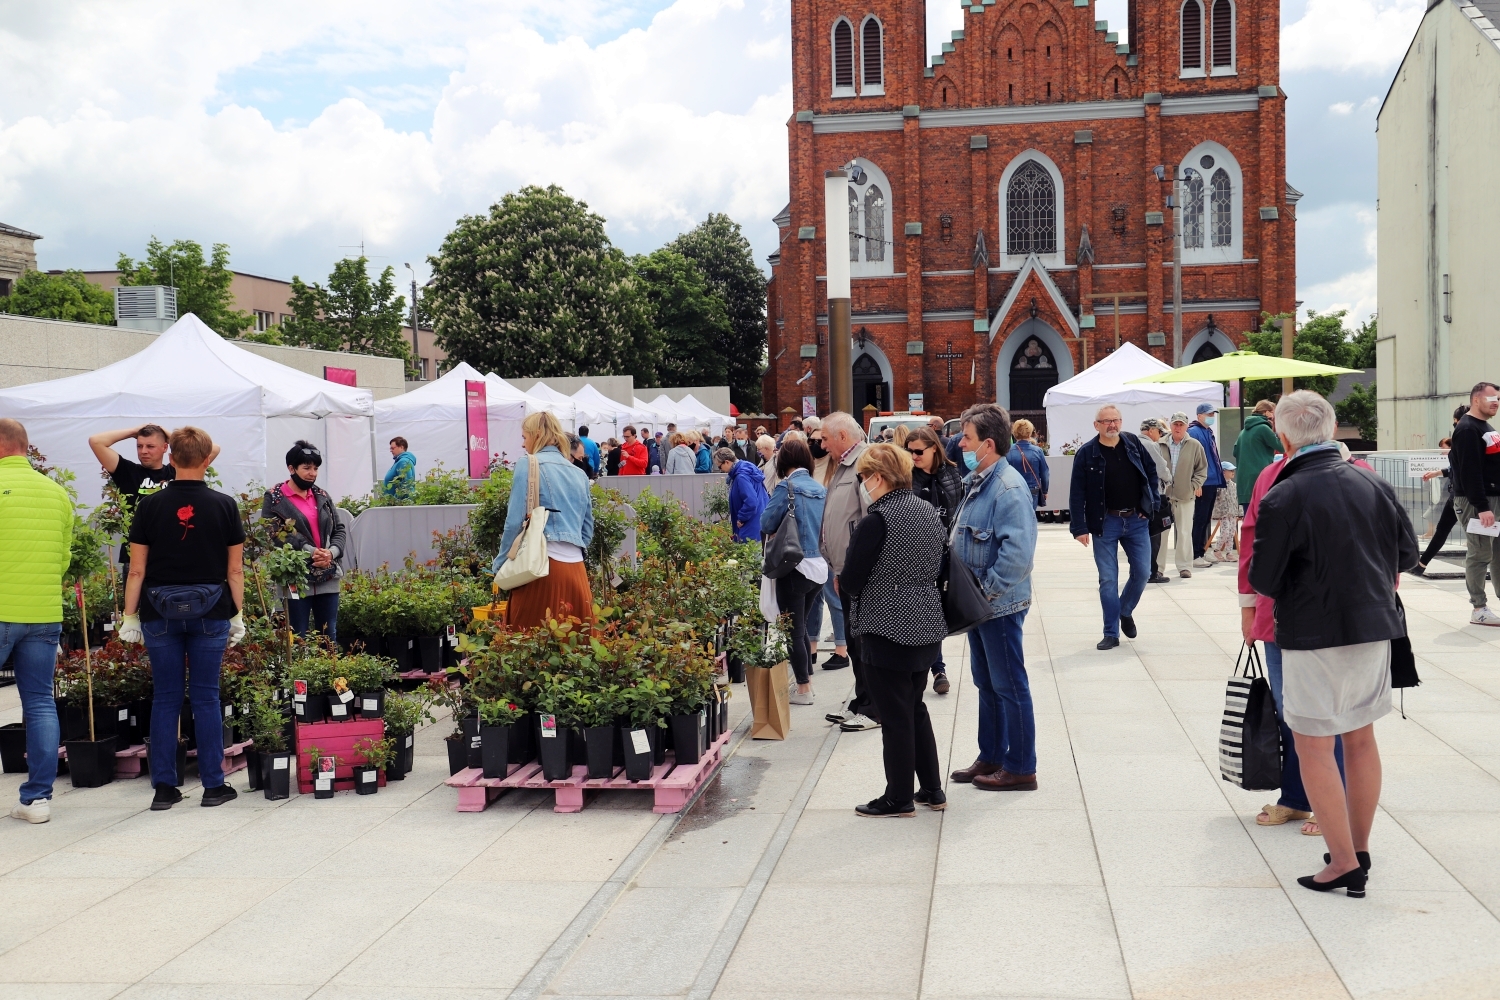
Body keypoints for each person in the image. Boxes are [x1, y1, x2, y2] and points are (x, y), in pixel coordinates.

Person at [1249, 391, 1418, 899]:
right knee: (1360, 737)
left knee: (1313, 745)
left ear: (1282, 436)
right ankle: (1357, 849)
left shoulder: (1284, 493)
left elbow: (1265, 577)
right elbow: (1406, 555)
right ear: (1333, 427)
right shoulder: (1372, 480)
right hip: (1372, 626)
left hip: (1312, 634)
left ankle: (1343, 861)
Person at [118, 426, 246, 811]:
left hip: (158, 612)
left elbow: (136, 571)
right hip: (211, 611)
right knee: (206, 697)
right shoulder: (225, 505)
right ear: (208, 460)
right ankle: (213, 786)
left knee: (166, 699)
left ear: (169, 459)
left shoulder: (149, 506)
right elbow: (235, 571)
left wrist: (128, 617)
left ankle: (163, 789)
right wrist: (237, 616)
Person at [1240, 447, 1345, 839]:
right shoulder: (1271, 475)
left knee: (1330, 714)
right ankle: (1297, 796)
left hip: (1336, 619)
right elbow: (1250, 541)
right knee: (1290, 712)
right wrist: (1248, 607)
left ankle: (1332, 801)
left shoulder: (1358, 473)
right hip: (1279, 615)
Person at [840, 444, 949, 816]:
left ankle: (898, 796)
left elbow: (852, 579)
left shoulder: (877, 520)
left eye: (864, 477)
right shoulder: (927, 510)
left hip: (885, 624)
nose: (862, 483)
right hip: (926, 619)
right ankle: (932, 789)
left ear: (879, 478)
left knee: (895, 715)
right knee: (914, 707)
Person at [950, 403, 1040, 791]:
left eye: (966, 438)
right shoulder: (979, 480)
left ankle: (1020, 767)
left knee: (1010, 686)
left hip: (997, 605)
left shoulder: (1008, 487)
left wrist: (983, 595)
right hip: (980, 604)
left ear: (988, 444)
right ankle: (991, 755)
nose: (959, 444)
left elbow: (1017, 556)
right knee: (987, 684)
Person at [1, 419, 74, 824]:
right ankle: (37, 800)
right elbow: (62, 559)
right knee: (41, 702)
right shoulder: (56, 493)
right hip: (44, 612)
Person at [1069, 404, 1160, 650]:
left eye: (1116, 420)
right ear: (1096, 425)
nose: (1112, 425)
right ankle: (1111, 632)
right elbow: (1077, 492)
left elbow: (1151, 473)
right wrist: (1079, 527)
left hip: (1136, 520)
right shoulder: (1087, 453)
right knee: (1108, 579)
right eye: (1107, 421)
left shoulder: (1133, 444)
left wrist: (1151, 504)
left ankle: (1125, 610)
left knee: (1142, 572)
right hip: (1105, 522)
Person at [492, 412, 595, 629]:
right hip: (576, 571)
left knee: (527, 644)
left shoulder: (528, 464)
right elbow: (587, 530)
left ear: (537, 434)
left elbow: (513, 522)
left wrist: (500, 564)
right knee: (576, 647)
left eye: (524, 437)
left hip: (540, 568)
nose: (523, 444)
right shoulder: (580, 475)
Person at [819, 412, 875, 730]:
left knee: (863, 642)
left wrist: (857, 570)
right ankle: (861, 700)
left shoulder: (865, 463)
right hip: (845, 569)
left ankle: (872, 707)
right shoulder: (844, 464)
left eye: (825, 438)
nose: (822, 444)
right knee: (854, 642)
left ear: (842, 436)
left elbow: (870, 521)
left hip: (860, 572)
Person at [760, 438, 827, 705]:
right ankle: (807, 680)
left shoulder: (786, 487)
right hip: (819, 567)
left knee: (793, 631)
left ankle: (803, 689)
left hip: (794, 565)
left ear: (783, 461)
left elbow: (766, 522)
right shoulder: (821, 488)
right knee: (801, 626)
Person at [261, 441, 347, 644]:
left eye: (315, 468)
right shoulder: (275, 498)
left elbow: (339, 529)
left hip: (327, 574)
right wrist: (311, 551)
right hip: (296, 577)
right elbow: (276, 533)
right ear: (291, 468)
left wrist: (331, 553)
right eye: (306, 468)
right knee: (297, 636)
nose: (312, 473)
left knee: (328, 636)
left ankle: (329, 675)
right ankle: (299, 677)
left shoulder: (322, 496)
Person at [906, 426, 963, 694]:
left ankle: (937, 668)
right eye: (910, 451)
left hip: (944, 553)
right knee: (924, 613)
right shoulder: (906, 476)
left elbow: (958, 509)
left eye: (918, 451)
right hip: (916, 555)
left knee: (937, 613)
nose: (913, 456)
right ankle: (934, 668)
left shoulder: (951, 472)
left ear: (934, 449)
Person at [1448, 381, 1500, 624]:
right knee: (1480, 552)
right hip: (1477, 501)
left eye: (1498, 399)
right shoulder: (1468, 429)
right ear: (1476, 399)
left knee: (1497, 552)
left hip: (1493, 498)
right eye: (1492, 398)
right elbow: (1469, 471)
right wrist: (1482, 507)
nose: (1496, 402)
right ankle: (1478, 608)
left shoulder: (1484, 426)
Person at [1414, 406, 1468, 574]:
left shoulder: (1467, 438)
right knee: (1443, 531)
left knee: (1475, 536)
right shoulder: (1464, 438)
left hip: (1465, 496)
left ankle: (1421, 565)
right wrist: (1437, 473)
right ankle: (1421, 564)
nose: (1455, 425)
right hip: (1458, 495)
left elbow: (1465, 469)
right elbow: (1456, 468)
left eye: (1455, 421)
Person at [1161, 412, 1208, 579]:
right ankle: (1158, 568)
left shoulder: (1195, 445)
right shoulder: (1160, 444)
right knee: (1161, 533)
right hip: (1163, 497)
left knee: (1184, 532)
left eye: (1181, 424)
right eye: (1175, 424)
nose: (1178, 427)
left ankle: (1184, 567)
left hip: (1185, 496)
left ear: (1187, 426)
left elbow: (1202, 469)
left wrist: (1193, 486)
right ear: (1171, 425)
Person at [1189, 402, 1227, 566]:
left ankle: (1201, 551)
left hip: (1211, 480)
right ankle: (1195, 554)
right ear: (1199, 415)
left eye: (1213, 415)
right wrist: (1195, 483)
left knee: (1205, 520)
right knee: (1200, 518)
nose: (1212, 417)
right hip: (1202, 482)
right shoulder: (1194, 432)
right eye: (1209, 414)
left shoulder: (1207, 431)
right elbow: (1192, 460)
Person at [1139, 418, 1174, 584]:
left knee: (1139, 535)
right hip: (1154, 496)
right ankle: (1153, 572)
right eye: (1159, 433)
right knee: (1155, 534)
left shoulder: (1129, 443)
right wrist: (1169, 479)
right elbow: (1162, 470)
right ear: (1152, 430)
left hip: (1136, 497)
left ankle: (1140, 571)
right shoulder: (1150, 446)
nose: (1159, 437)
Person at [1233, 399, 1280, 506]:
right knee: (1262, 520)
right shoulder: (1263, 428)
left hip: (1244, 483)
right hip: (1261, 480)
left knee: (1248, 519)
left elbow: (1235, 451)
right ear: (1267, 412)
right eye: (1273, 412)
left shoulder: (1243, 431)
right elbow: (1282, 447)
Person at [717, 447, 768, 544]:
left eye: (720, 467)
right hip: (758, 521)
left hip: (749, 525)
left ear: (727, 462)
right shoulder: (747, 468)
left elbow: (751, 501)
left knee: (750, 556)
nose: (721, 470)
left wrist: (741, 518)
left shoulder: (741, 476)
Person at [1006, 418, 1050, 509]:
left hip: (1013, 489)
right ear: (1030, 433)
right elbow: (1045, 473)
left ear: (1014, 433)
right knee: (1031, 517)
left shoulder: (1007, 451)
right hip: (1032, 488)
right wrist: (1045, 491)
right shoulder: (1037, 451)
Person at [1208, 465, 1240, 561]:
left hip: (1233, 512)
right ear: (1224, 472)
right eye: (1230, 470)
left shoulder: (1234, 486)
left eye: (1233, 470)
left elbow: (1236, 499)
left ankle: (1229, 553)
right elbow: (1214, 500)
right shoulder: (1218, 486)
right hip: (1223, 513)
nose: (1233, 472)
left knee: (1231, 532)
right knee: (1225, 531)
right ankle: (1216, 550)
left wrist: (1240, 512)